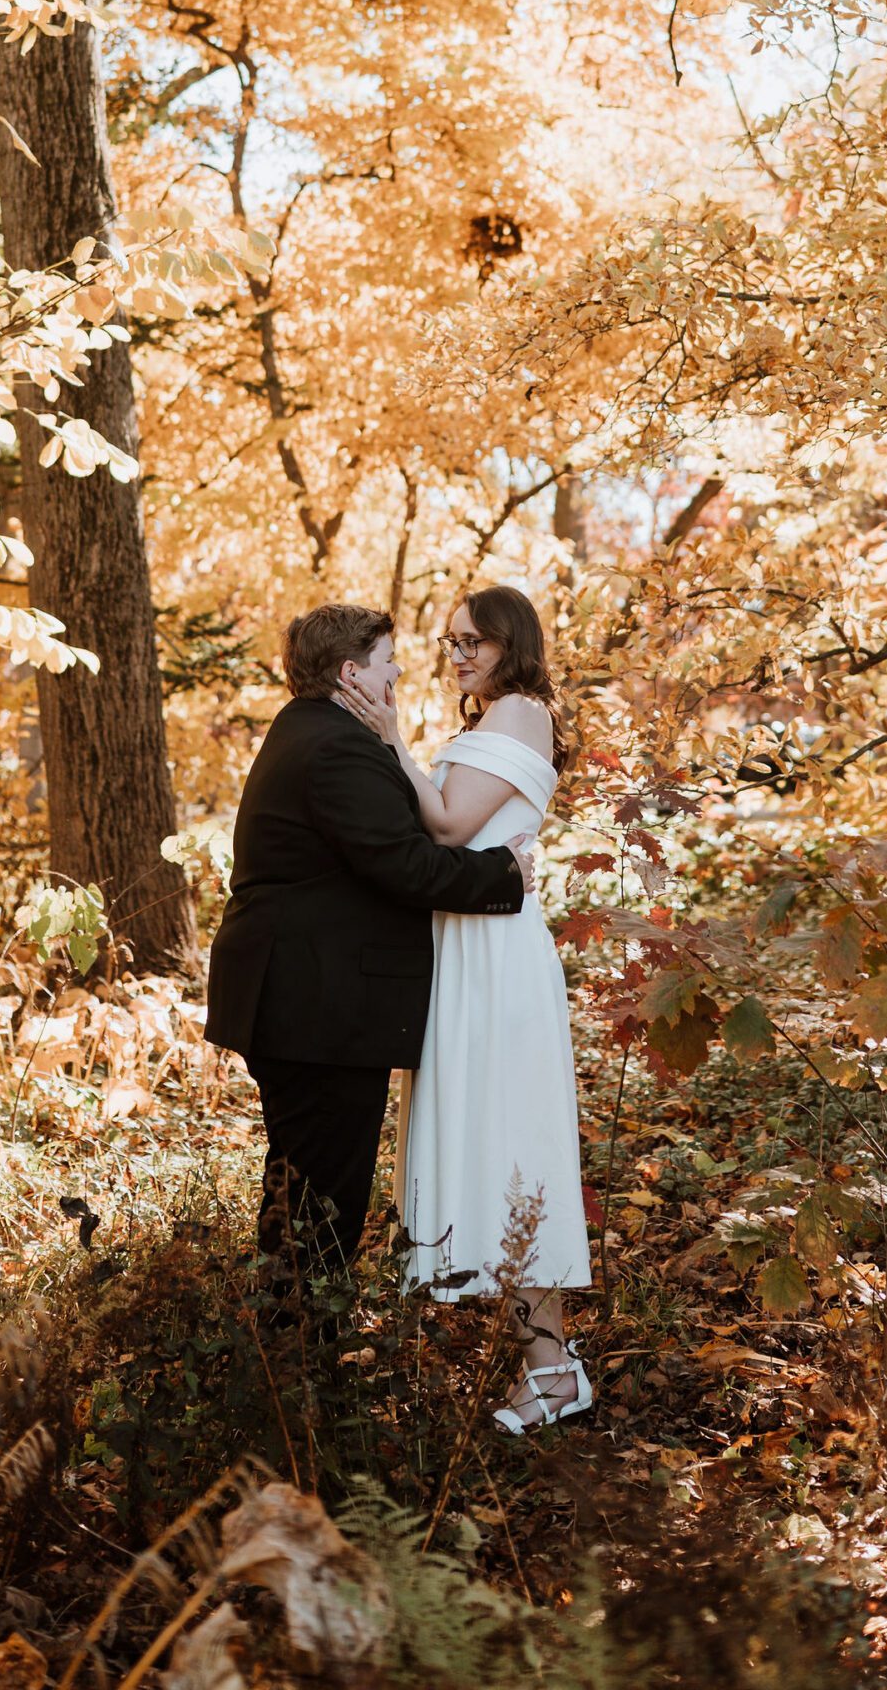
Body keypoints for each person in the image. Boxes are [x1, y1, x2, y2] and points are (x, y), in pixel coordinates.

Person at [205, 602, 530, 1323]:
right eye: (389, 663)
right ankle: (302, 1368)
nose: (400, 674)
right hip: (314, 1006)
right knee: (325, 1201)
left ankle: (283, 1357)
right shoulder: (336, 749)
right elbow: (405, 865)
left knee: (301, 1188)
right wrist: (503, 874)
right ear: (352, 673)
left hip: (301, 1000)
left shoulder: (312, 733)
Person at [338, 583, 593, 1435]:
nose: (458, 655)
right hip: (462, 954)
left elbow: (446, 828)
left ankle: (554, 1370)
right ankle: (539, 1360)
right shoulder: (488, 721)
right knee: (486, 1149)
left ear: (511, 645)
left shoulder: (520, 711)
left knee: (517, 1150)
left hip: (497, 959)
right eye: (450, 642)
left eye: (474, 642)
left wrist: (392, 741)